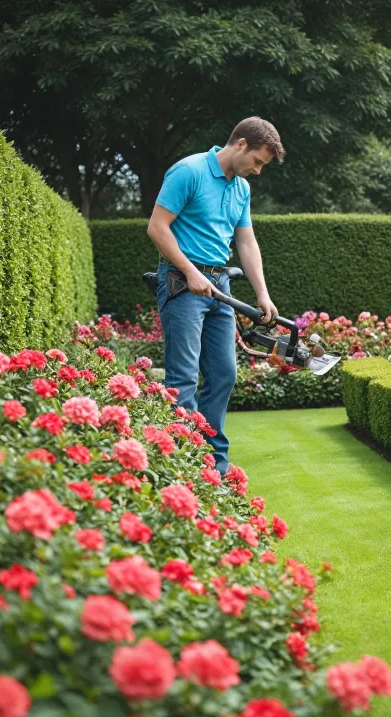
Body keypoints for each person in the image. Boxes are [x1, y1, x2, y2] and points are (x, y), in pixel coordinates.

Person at [147, 117, 285, 476]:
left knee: (224, 373)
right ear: (241, 144)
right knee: (182, 378)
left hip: (220, 286)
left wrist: (263, 295)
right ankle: (179, 461)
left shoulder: (241, 188)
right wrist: (191, 272)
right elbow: (157, 227)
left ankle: (213, 464)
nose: (257, 171)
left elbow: (246, 241)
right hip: (181, 282)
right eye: (257, 161)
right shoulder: (188, 172)